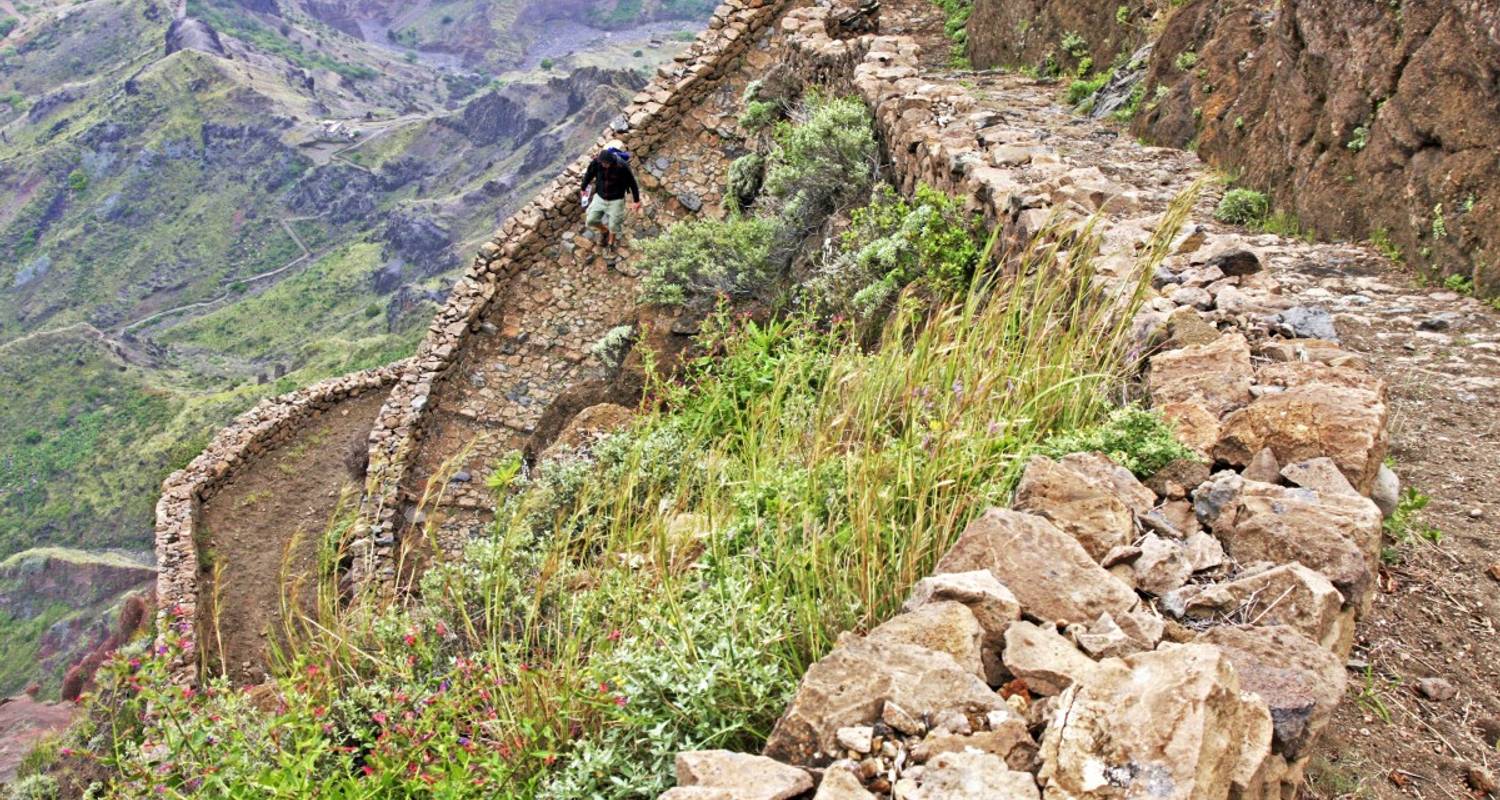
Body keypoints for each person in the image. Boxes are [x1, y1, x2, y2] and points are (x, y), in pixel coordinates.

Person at [580, 142, 641, 251]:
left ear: (611, 162)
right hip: (600, 197)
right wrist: (583, 188)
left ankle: (611, 241)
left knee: (614, 225)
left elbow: (632, 183)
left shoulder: (622, 166)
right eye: (602, 163)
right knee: (591, 220)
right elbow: (589, 174)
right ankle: (604, 231)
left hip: (616, 199)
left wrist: (636, 201)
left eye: (606, 164)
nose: (603, 165)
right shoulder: (597, 163)